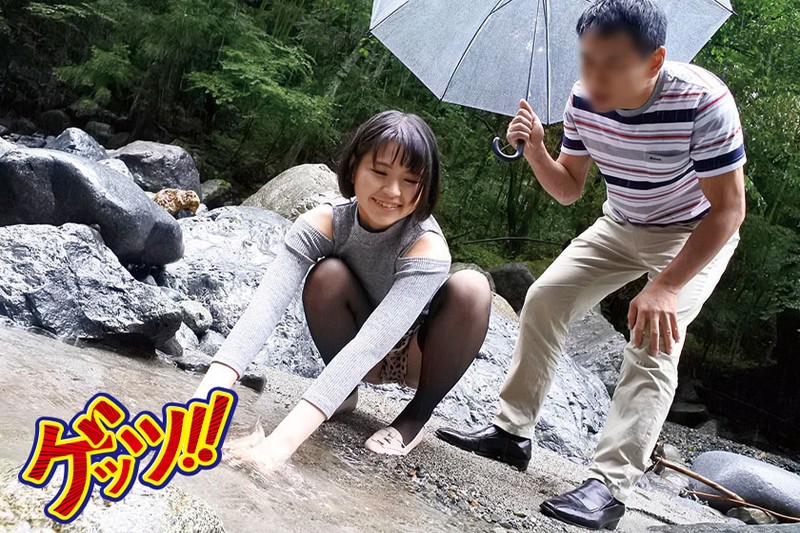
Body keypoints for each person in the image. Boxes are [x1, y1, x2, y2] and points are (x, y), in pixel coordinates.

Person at [434, 0, 747, 530]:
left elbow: (730, 211)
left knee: (654, 337)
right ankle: (511, 434)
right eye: (587, 59)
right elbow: (568, 188)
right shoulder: (583, 100)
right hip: (620, 223)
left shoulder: (703, 102)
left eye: (611, 64)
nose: (594, 77)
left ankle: (609, 487)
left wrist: (667, 286)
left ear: (654, 60)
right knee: (544, 299)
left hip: (692, 233)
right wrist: (537, 149)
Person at [193, 110, 492, 471]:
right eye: (379, 172)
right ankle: (343, 395)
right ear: (353, 167)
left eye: (411, 180)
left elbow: (372, 344)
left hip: (415, 354)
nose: (393, 191)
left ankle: (413, 420)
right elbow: (265, 307)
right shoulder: (325, 221)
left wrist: (276, 449)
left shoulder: (427, 247)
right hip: (355, 336)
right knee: (327, 276)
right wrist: (197, 413)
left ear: (426, 186)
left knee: (473, 287)